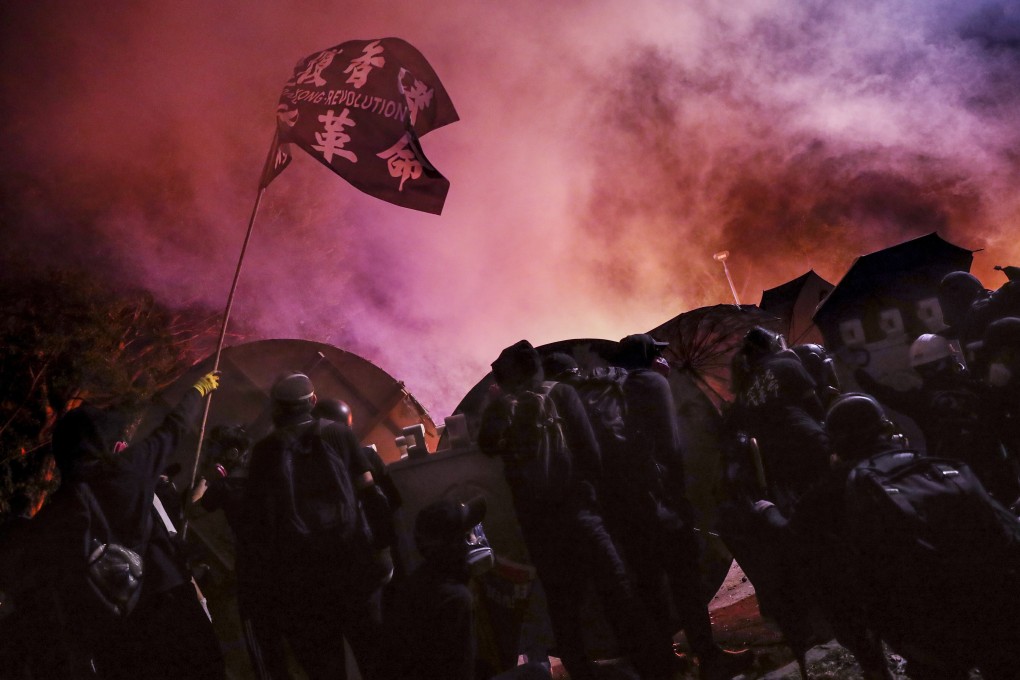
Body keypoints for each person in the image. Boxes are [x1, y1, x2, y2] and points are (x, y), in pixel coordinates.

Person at [756, 393, 1020, 679]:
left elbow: (792, 534)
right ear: (887, 429)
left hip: (929, 630)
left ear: (838, 444)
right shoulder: (936, 466)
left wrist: (765, 509)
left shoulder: (836, 485)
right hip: (998, 609)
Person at [478, 340, 674, 680]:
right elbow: (590, 452)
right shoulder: (562, 393)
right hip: (581, 516)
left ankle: (581, 673)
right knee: (618, 593)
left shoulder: (502, 408)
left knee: (563, 608)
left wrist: (495, 403)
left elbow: (486, 446)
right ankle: (654, 670)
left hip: (539, 528)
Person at [36, 371, 226, 680]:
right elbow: (173, 428)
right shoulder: (127, 471)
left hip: (114, 625)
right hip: (166, 598)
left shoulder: (59, 507)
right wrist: (198, 390)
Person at [608, 334, 754, 680]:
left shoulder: (615, 390)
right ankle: (709, 657)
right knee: (686, 582)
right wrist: (681, 501)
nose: (664, 361)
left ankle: (665, 661)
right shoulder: (650, 384)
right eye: (657, 355)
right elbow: (670, 447)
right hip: (662, 505)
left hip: (629, 512)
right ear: (646, 358)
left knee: (649, 588)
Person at [244, 372, 392, 680]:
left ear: (277, 407)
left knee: (326, 668)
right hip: (354, 566)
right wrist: (382, 550)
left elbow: (259, 526)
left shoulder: (264, 452)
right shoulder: (339, 434)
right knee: (375, 656)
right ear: (312, 401)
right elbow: (370, 492)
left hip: (303, 581)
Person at [191, 424, 287, 680]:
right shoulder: (263, 475)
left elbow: (194, 509)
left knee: (259, 638)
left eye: (215, 451)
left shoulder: (227, 486)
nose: (210, 455)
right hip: (282, 563)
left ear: (232, 454)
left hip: (253, 572)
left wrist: (205, 479)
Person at [384, 495, 489, 680]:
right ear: (455, 544)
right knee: (536, 671)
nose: (476, 537)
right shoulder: (456, 599)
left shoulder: (417, 583)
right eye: (469, 533)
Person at [728, 327, 829, 514]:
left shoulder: (744, 390)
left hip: (778, 462)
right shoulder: (787, 365)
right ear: (771, 344)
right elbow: (816, 409)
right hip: (809, 442)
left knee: (811, 512)